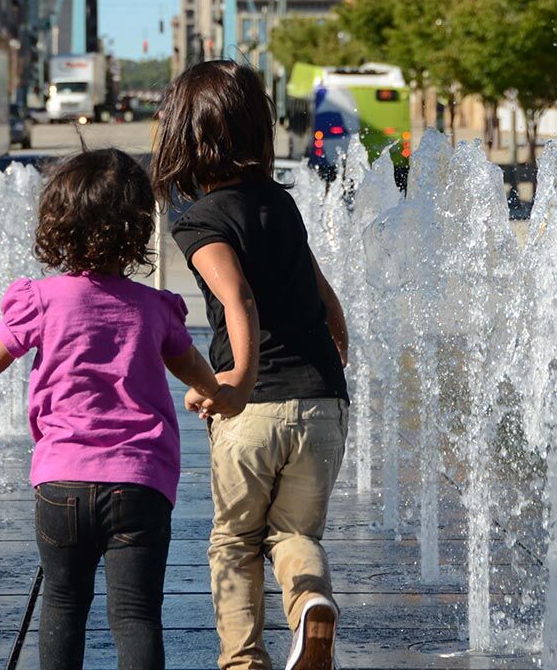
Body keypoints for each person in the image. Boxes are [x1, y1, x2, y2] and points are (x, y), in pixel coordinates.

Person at [0, 148, 222, 670]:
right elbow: (193, 368)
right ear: (137, 229)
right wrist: (216, 392)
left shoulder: (41, 300)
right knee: (136, 616)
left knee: (64, 605)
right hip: (140, 484)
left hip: (62, 482)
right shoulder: (154, 308)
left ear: (58, 225)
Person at [151, 61, 350, 670]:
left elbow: (238, 299)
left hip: (254, 407)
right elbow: (323, 295)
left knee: (235, 541)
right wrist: (336, 356)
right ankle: (311, 602)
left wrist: (234, 380)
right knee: (296, 535)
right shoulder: (281, 205)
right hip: (322, 400)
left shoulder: (200, 220)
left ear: (185, 138)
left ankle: (243, 661)